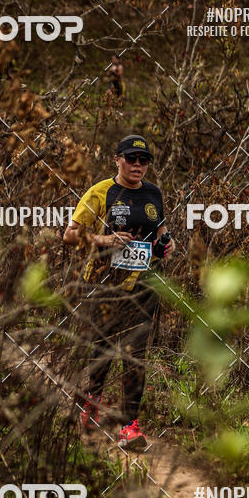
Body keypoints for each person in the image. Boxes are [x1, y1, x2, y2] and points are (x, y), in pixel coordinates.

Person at [63, 134, 175, 449]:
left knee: (136, 355)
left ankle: (130, 426)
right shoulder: (100, 192)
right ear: (118, 159)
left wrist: (166, 246)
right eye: (131, 158)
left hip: (143, 284)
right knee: (101, 347)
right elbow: (69, 235)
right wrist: (104, 241)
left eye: (144, 160)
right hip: (103, 282)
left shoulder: (153, 194)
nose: (138, 165)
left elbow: (165, 236)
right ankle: (93, 401)